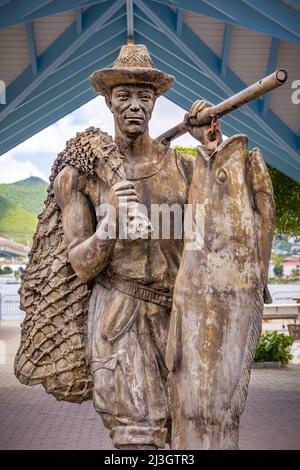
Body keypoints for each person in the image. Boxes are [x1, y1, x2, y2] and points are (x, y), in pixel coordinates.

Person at [54, 43, 216, 450]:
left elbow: (223, 229)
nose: (134, 106)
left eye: (144, 96)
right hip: (119, 316)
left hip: (178, 317)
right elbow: (81, 264)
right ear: (109, 101)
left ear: (155, 101)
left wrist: (212, 148)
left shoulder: (185, 168)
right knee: (137, 438)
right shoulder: (81, 177)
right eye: (124, 96)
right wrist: (110, 225)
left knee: (184, 436)